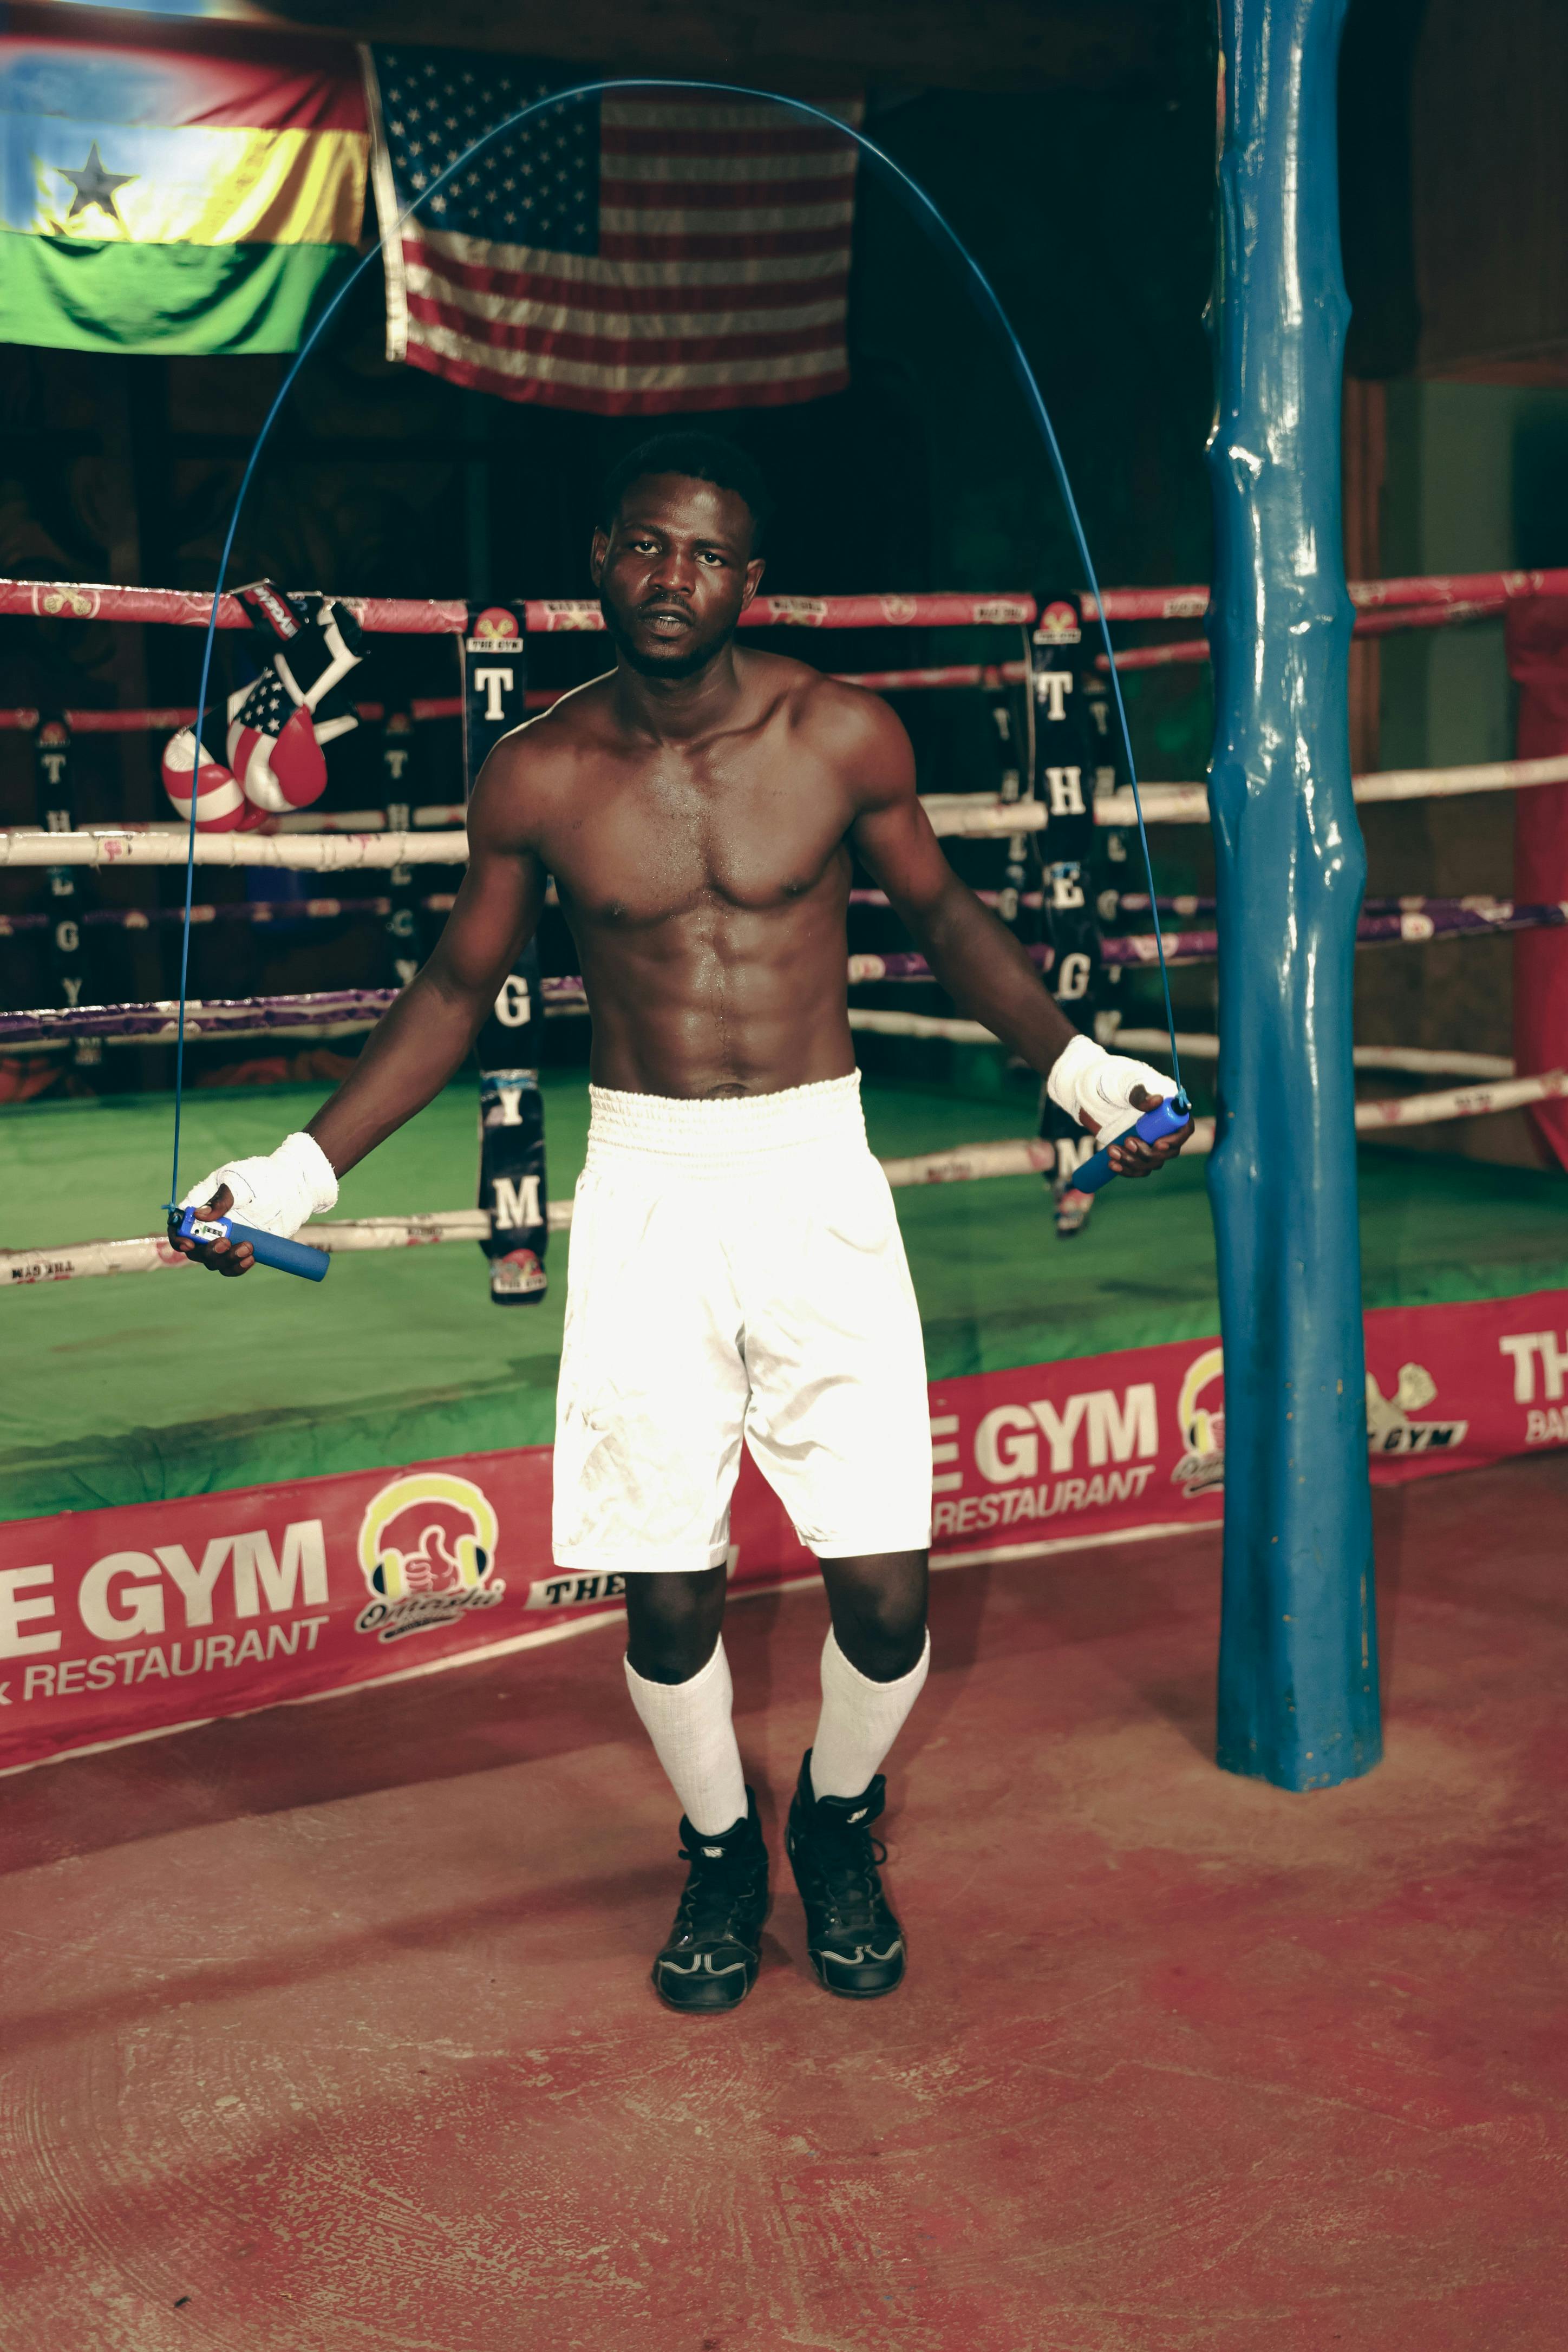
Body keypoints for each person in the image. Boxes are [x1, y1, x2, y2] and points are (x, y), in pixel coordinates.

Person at [174, 430, 1192, 2013]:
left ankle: (837, 1818)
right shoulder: (541, 769)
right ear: (601, 558)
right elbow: (457, 989)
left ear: (751, 581)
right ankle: (721, 1848)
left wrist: (1079, 1067)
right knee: (666, 1590)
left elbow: (940, 913)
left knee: (888, 1590)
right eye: (649, 547)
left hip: (816, 1174)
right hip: (648, 1183)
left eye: (709, 556)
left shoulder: (840, 733)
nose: (675, 578)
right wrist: (295, 1174)